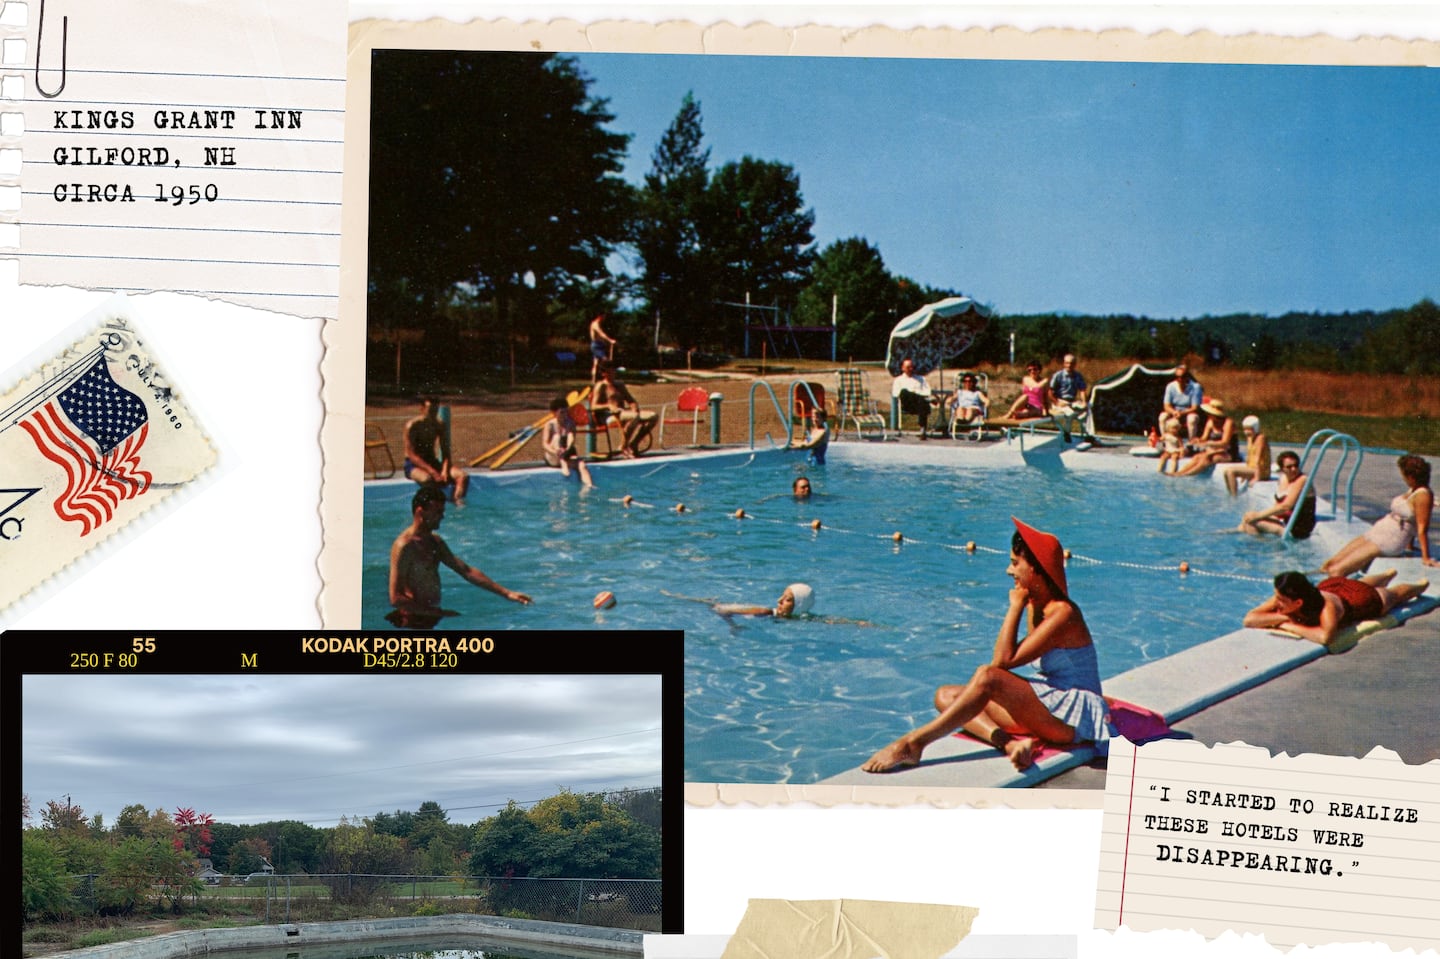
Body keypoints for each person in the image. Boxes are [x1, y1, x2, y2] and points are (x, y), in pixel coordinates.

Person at [861, 518, 1111, 774]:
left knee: (987, 677)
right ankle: (1010, 745)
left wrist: (1014, 606)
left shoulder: (1063, 613)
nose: (1008, 571)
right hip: (1051, 706)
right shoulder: (1036, 605)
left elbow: (1001, 663)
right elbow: (1007, 660)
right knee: (946, 696)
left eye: (1015, 563)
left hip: (1073, 714)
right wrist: (1021, 605)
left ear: (1035, 569)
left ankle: (914, 742)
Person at [388, 486, 531, 627]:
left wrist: (507, 593)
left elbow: (466, 571)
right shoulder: (404, 546)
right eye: (437, 512)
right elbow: (395, 598)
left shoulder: (435, 542)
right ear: (421, 512)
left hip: (430, 615)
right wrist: (439, 613)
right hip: (412, 619)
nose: (442, 516)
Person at [1243, 569, 1429, 648]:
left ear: (1298, 603)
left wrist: (1289, 626)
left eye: (1280, 599)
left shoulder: (1327, 608)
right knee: (1353, 583)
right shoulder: (1287, 597)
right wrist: (1283, 618)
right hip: (1334, 587)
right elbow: (1249, 619)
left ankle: (1418, 586)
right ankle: (1386, 574)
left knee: (1392, 595)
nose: (1276, 603)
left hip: (1360, 601)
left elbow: (1326, 637)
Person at [1321, 454, 1436, 575]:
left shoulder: (1424, 495)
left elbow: (1421, 527)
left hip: (1391, 540)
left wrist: (1426, 557)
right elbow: (1410, 517)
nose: (1403, 478)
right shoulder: (1414, 489)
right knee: (1331, 563)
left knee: (1337, 570)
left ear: (1411, 477)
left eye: (1403, 475)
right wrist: (1410, 546)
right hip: (1380, 531)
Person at [403, 396, 468, 504]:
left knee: (462, 476)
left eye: (435, 410)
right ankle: (435, 505)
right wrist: (433, 472)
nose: (433, 414)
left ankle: (457, 503)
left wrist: (445, 470)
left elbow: (446, 452)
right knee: (427, 479)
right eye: (431, 410)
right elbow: (412, 456)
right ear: (422, 409)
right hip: (413, 465)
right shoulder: (412, 426)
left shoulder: (439, 425)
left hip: (432, 461)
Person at [1239, 450, 1316, 538]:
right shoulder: (1283, 479)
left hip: (1296, 528)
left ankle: (1260, 548)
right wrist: (1255, 515)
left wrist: (1258, 515)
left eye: (1296, 465)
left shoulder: (1302, 480)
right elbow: (1278, 506)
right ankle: (1225, 533)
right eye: (1289, 467)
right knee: (1247, 517)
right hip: (1286, 521)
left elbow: (1285, 506)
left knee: (1252, 522)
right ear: (1282, 468)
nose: (1293, 469)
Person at [592, 362, 657, 458]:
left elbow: (630, 400)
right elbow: (593, 406)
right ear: (603, 373)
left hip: (624, 413)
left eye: (613, 370)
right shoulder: (601, 386)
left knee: (653, 416)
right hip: (610, 415)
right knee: (634, 417)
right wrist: (608, 406)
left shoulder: (619, 384)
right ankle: (623, 447)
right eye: (610, 371)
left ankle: (633, 444)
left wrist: (634, 406)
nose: (613, 372)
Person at [1170, 398, 1238, 477]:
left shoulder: (1228, 423)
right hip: (1215, 450)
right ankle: (1179, 473)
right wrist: (1197, 440)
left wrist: (1208, 443)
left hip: (1228, 453)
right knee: (1197, 457)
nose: (1208, 414)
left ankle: (1185, 475)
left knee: (1206, 458)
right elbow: (1204, 438)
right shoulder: (1210, 422)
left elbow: (1225, 442)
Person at [541, 397, 594, 487]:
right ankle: (562, 461)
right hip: (553, 456)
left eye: (566, 412)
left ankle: (589, 487)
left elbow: (571, 437)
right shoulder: (550, 425)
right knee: (557, 437)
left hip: (565, 454)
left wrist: (568, 448)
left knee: (582, 465)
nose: (565, 415)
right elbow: (544, 444)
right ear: (554, 413)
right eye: (562, 412)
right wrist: (556, 452)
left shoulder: (570, 423)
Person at [1220, 415, 1272, 495]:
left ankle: (1234, 498)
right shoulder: (1250, 438)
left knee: (1231, 472)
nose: (1246, 432)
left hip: (1262, 470)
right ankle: (1231, 494)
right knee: (1225, 472)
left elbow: (1258, 458)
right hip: (1252, 468)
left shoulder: (1261, 438)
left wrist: (1257, 477)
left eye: (1249, 429)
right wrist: (1245, 474)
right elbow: (1249, 457)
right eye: (1245, 429)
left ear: (1256, 428)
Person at [711, 583, 816, 618]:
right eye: (782, 596)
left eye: (787, 599)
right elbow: (723, 610)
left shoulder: (803, 619)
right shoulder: (766, 612)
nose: (779, 601)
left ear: (799, 605)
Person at [891, 358, 937, 439]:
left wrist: (919, 396)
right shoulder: (898, 380)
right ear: (903, 368)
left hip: (919, 404)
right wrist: (915, 394)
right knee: (905, 391)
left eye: (912, 367)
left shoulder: (921, 379)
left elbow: (927, 391)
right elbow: (896, 394)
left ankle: (923, 430)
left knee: (922, 403)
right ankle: (927, 401)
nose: (910, 369)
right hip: (907, 404)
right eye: (908, 367)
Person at [1159, 363, 1205, 443]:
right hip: (1175, 412)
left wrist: (1182, 413)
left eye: (1182, 377)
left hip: (1189, 411)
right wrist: (1174, 412)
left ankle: (1191, 442)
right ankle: (1165, 441)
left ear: (1187, 376)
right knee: (1162, 417)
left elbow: (1195, 407)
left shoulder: (1195, 387)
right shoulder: (1170, 386)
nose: (1180, 379)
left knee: (1192, 419)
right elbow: (1166, 406)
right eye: (1177, 377)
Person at [1047, 354, 1088, 442]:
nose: (1069, 365)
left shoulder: (1078, 375)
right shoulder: (1058, 375)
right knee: (1070, 413)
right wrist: (1057, 402)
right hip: (1060, 401)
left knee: (1087, 411)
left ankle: (1087, 434)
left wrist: (1084, 402)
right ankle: (1067, 433)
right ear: (1064, 364)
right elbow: (1050, 392)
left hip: (1072, 401)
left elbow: (1082, 390)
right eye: (1067, 363)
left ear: (1075, 364)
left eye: (1071, 363)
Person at [588, 314, 616, 381]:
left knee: (595, 363)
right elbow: (601, 333)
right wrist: (610, 340)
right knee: (605, 360)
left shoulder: (598, 324)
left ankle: (593, 380)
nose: (604, 318)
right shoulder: (595, 324)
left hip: (599, 345)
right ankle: (606, 377)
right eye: (603, 317)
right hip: (596, 345)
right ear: (599, 316)